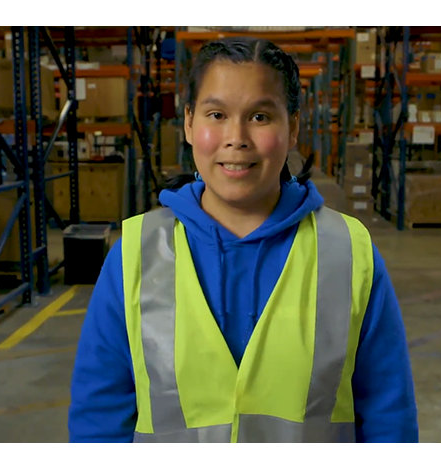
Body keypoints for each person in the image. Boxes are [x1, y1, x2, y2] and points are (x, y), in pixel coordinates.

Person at [68, 37, 418, 443]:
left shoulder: (348, 253)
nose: (236, 137)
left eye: (260, 116)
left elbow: (388, 415)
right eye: (216, 114)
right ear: (188, 123)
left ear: (294, 127)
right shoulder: (135, 255)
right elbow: (99, 418)